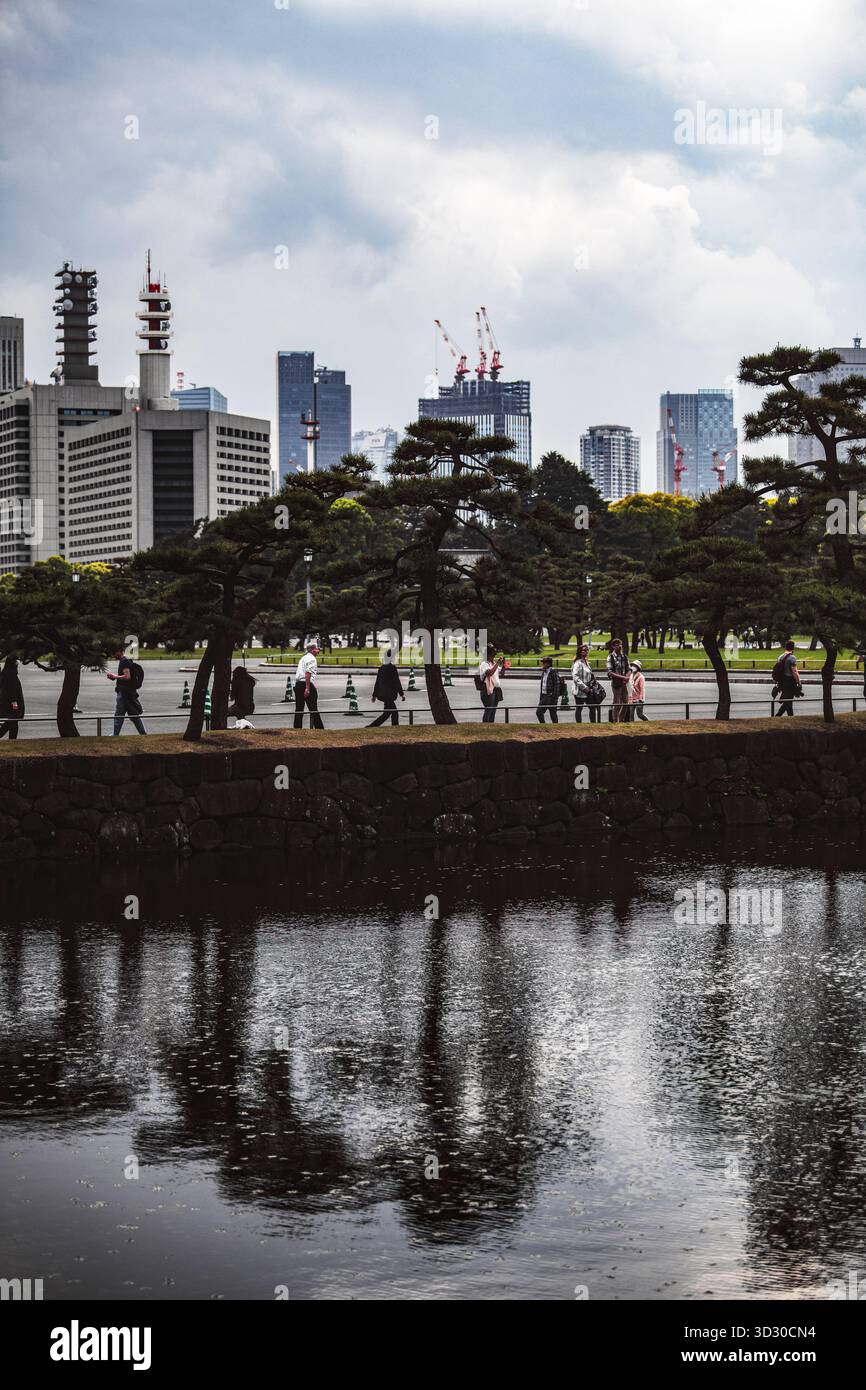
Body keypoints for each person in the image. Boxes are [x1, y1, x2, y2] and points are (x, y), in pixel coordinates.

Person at [107, 646, 146, 736]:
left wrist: (114, 676)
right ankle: (143, 734)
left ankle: (115, 735)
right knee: (134, 715)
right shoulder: (127, 660)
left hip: (124, 694)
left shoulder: (124, 661)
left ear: (120, 652)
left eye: (114, 652)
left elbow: (127, 676)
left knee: (119, 715)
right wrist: (116, 677)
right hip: (129, 693)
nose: (113, 655)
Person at [368, 653, 405, 727]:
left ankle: (394, 727)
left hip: (383, 694)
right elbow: (396, 681)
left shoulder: (381, 668)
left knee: (391, 713)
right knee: (389, 713)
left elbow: (377, 682)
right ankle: (372, 726)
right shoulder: (392, 668)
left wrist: (374, 695)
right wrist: (401, 694)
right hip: (390, 694)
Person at [294, 642, 324, 729]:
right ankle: (319, 728)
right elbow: (308, 673)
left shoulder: (303, 658)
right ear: (312, 649)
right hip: (306, 684)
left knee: (299, 709)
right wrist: (307, 688)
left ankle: (297, 728)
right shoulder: (312, 659)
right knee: (313, 709)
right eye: (317, 649)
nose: (318, 651)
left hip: (298, 684)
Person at [773, 640, 802, 717]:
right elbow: (794, 672)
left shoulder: (780, 657)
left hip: (782, 681)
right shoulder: (792, 658)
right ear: (793, 648)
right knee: (788, 700)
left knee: (789, 700)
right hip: (789, 681)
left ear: (785, 647)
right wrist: (799, 683)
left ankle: (790, 716)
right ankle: (778, 715)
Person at [477, 645, 503, 724]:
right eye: (492, 655)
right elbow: (489, 673)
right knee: (489, 709)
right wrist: (497, 663)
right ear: (487, 655)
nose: (493, 657)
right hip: (487, 690)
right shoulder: (484, 664)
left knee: (493, 710)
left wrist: (504, 665)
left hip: (496, 689)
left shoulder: (493, 663)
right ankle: (485, 726)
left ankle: (491, 726)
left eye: (494, 655)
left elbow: (501, 673)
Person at [607, 638, 631, 723]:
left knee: (625, 703)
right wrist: (622, 677)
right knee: (616, 702)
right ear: (613, 646)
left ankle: (621, 720)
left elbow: (629, 669)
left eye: (620, 644)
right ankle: (615, 721)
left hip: (624, 682)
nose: (619, 646)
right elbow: (610, 672)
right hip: (616, 683)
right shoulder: (611, 657)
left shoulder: (624, 656)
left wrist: (627, 677)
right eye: (617, 645)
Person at [0, 655, 24, 740]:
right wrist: (15, 705)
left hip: (7, 702)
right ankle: (12, 740)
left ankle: (12, 741)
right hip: (12, 703)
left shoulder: (6, 672)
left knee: (13, 723)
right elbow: (12, 691)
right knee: (12, 722)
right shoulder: (11, 674)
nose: (17, 663)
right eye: (16, 661)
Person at [229, 665, 257, 730]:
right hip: (250, 707)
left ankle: (244, 724)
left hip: (239, 707)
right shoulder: (250, 682)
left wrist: (230, 691)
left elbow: (232, 697)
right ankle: (244, 723)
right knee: (236, 710)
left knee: (227, 711)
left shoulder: (236, 682)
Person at [571, 644, 593, 723]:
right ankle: (579, 725)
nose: (586, 651)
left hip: (589, 690)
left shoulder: (587, 662)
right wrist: (584, 687)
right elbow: (575, 677)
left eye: (587, 650)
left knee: (592, 708)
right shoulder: (577, 663)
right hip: (580, 690)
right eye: (584, 650)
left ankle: (593, 724)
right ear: (580, 652)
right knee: (579, 708)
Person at [536, 656, 559, 723]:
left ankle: (555, 728)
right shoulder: (544, 672)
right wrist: (541, 697)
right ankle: (543, 726)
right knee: (539, 712)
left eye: (544, 663)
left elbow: (557, 685)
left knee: (553, 714)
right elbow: (542, 685)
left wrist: (554, 697)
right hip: (544, 696)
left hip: (551, 696)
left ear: (548, 664)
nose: (542, 664)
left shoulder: (553, 672)